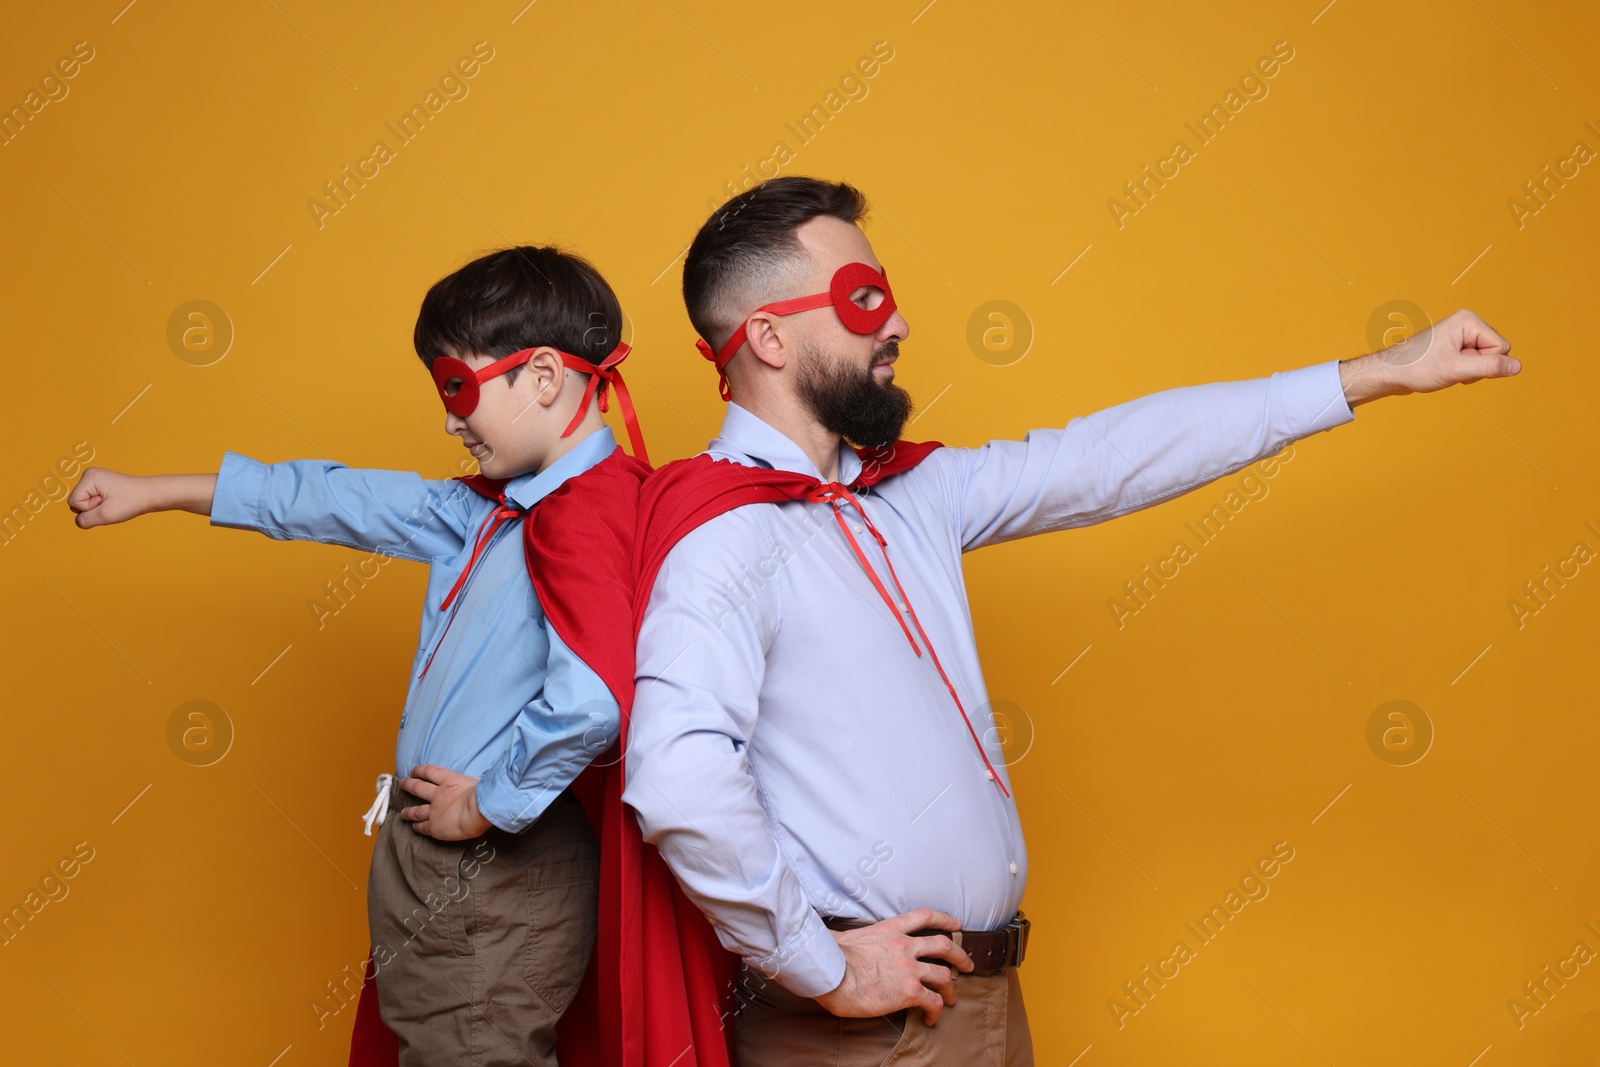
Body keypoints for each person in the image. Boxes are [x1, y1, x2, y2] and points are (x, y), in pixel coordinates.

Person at [621, 176, 1521, 1065]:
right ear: (769, 337)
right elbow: (678, 777)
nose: (898, 325)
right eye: (864, 301)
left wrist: (1378, 372)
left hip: (978, 1004)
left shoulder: (909, 494)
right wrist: (821, 966)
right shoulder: (726, 537)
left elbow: (1109, 457)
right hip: (869, 1033)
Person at [67, 246, 670, 1067]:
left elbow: (596, 696)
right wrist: (158, 490)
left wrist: (488, 802)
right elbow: (335, 498)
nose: (449, 420)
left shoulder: (591, 513)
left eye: (459, 388)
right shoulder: (488, 512)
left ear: (540, 377)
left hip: (493, 865)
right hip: (442, 856)